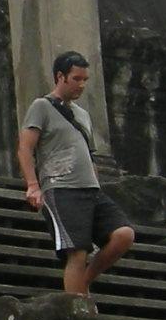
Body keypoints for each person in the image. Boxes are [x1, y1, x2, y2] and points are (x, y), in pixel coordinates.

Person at [17, 50, 133, 301]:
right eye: (76, 79)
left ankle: (85, 280)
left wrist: (96, 182)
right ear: (61, 77)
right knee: (77, 251)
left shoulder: (82, 114)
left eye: (85, 80)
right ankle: (76, 307)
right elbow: (25, 147)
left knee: (124, 234)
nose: (81, 85)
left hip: (90, 189)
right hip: (61, 188)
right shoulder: (42, 106)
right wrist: (32, 185)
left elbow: (89, 154)